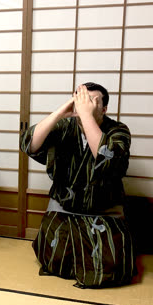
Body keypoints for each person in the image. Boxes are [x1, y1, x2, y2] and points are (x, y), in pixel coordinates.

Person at [20, 82, 136, 288]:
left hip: (101, 212)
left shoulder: (118, 130)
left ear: (104, 108)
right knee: (55, 261)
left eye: (92, 101)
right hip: (65, 211)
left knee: (108, 270)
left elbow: (107, 160)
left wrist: (87, 116)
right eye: (80, 100)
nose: (85, 104)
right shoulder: (65, 126)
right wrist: (61, 112)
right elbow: (29, 144)